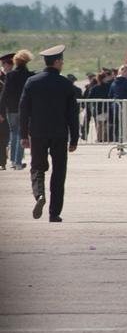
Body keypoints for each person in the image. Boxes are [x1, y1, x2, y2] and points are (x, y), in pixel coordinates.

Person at [19, 45, 79, 222]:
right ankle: (54, 213)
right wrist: (74, 138)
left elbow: (24, 110)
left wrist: (23, 135)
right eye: (62, 61)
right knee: (59, 172)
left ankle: (39, 195)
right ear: (58, 62)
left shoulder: (32, 82)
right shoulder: (66, 84)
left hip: (37, 133)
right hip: (59, 134)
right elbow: (72, 114)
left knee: (38, 167)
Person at [0, 50, 35, 170]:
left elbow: (4, 94)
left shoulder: (10, 75)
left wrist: (1, 111)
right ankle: (18, 161)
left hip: (11, 109)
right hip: (25, 109)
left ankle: (14, 161)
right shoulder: (30, 75)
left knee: (13, 133)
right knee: (21, 133)